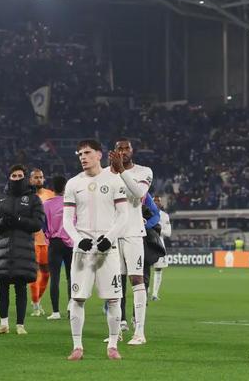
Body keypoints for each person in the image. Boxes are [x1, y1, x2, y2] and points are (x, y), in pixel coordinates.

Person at [63, 140, 129, 361]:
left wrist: (108, 238)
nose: (83, 157)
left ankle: (113, 345)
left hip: (107, 250)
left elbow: (124, 215)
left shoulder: (114, 180)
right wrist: (77, 240)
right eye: (80, 153)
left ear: (99, 155)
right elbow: (67, 220)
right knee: (77, 299)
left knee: (113, 300)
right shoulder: (73, 183)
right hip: (82, 252)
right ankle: (77, 347)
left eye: (87, 152)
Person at [0, 165, 45, 335]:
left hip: (24, 249)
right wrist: (3, 222)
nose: (17, 178)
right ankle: (3, 324)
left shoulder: (33, 199)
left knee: (21, 286)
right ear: (9, 178)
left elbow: (38, 223)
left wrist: (18, 219)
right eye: (14, 175)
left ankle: (20, 325)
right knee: (2, 286)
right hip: (3, 249)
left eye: (20, 175)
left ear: (25, 178)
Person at [108, 138, 153, 345]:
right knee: (114, 283)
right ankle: (115, 331)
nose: (124, 151)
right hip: (112, 235)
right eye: (120, 149)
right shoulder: (105, 173)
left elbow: (139, 193)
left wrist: (120, 171)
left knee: (136, 279)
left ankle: (139, 333)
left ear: (132, 151)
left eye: (127, 148)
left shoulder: (144, 172)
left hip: (133, 233)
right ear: (114, 151)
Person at [43, 175, 73, 320]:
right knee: (71, 277)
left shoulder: (46, 204)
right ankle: (71, 308)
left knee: (54, 277)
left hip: (55, 243)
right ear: (65, 187)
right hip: (71, 243)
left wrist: (48, 237)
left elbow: (43, 226)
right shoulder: (71, 203)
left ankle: (55, 312)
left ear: (52, 188)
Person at [28, 168, 55, 316]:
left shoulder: (50, 194)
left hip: (47, 241)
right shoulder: (26, 197)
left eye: (41, 177)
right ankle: (36, 306)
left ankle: (37, 300)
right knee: (33, 273)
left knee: (45, 274)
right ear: (30, 180)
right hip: (31, 241)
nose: (39, 179)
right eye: (36, 177)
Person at [151, 195, 171, 301]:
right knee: (143, 268)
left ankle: (154, 294)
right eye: (154, 201)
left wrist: (158, 230)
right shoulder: (145, 213)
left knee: (158, 268)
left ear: (160, 203)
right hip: (147, 243)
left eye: (158, 201)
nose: (156, 203)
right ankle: (144, 290)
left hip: (159, 244)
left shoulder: (165, 216)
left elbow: (168, 233)